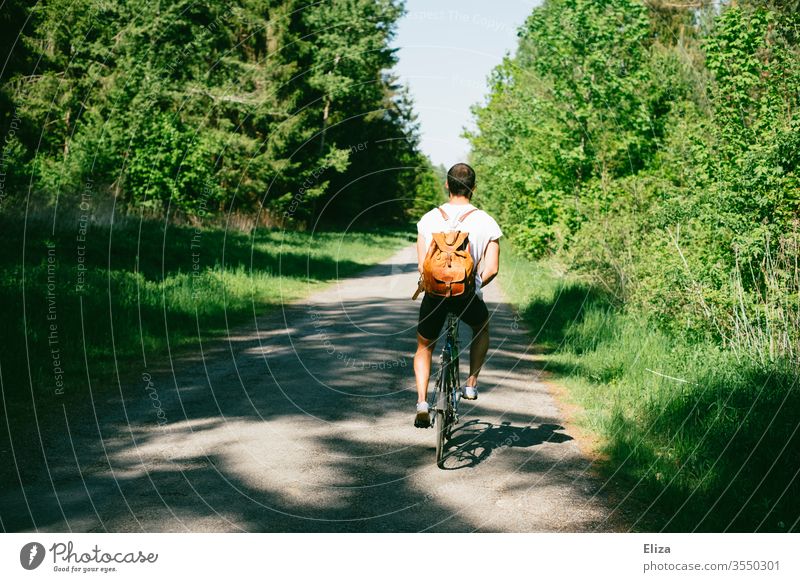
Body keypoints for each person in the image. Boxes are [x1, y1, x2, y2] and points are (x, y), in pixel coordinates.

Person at [413, 163, 502, 427]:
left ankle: (421, 402)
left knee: (424, 346)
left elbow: (422, 266)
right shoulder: (486, 221)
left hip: (434, 294)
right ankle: (472, 384)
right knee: (481, 326)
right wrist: (473, 285)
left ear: (447, 185)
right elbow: (493, 269)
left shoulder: (429, 219)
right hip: (466, 296)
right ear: (473, 188)